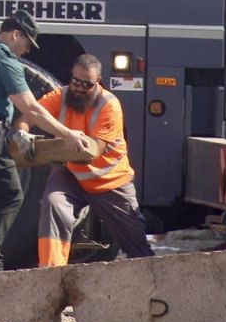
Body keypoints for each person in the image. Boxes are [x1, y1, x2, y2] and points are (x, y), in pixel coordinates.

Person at [0, 11, 88, 279]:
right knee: (10, 195)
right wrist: (67, 134)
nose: (26, 51)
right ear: (15, 34)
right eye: (27, 43)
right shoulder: (5, 61)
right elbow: (31, 109)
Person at [33, 53, 155, 266]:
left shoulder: (109, 106)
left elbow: (94, 151)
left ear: (98, 83)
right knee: (54, 203)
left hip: (111, 182)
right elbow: (30, 114)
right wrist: (23, 132)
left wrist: (63, 144)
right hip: (73, 176)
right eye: (76, 82)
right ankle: (50, 273)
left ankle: (152, 279)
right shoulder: (60, 96)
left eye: (86, 85)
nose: (79, 88)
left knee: (137, 246)